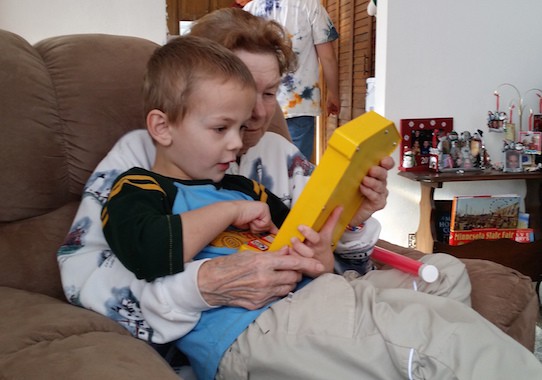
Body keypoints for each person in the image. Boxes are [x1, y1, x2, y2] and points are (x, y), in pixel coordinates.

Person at [102, 35, 542, 380]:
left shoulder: (242, 186)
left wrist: (341, 228)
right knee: (443, 340)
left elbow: (305, 239)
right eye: (222, 127)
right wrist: (228, 214)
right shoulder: (139, 187)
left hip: (321, 297)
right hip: (254, 329)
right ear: (162, 127)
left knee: (445, 275)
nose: (238, 141)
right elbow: (148, 250)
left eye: (240, 125)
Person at [57, 8, 390, 347]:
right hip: (236, 342)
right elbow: (80, 272)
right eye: (244, 88)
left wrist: (351, 218)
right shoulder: (139, 158)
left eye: (269, 92)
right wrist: (200, 286)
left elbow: (328, 261)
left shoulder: (281, 154)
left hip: (305, 319)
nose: (258, 114)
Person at [244, 0, 340, 160]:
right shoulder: (311, 7)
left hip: (258, 105)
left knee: (259, 166)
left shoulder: (250, 10)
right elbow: (328, 57)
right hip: (299, 105)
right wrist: (333, 94)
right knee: (296, 171)